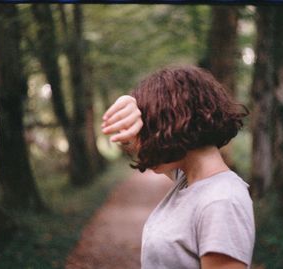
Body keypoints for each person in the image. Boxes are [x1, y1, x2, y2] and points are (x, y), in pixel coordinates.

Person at [101, 65, 255, 269]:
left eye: (145, 129)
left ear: (171, 123)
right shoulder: (189, 181)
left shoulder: (221, 201)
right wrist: (126, 102)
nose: (138, 144)